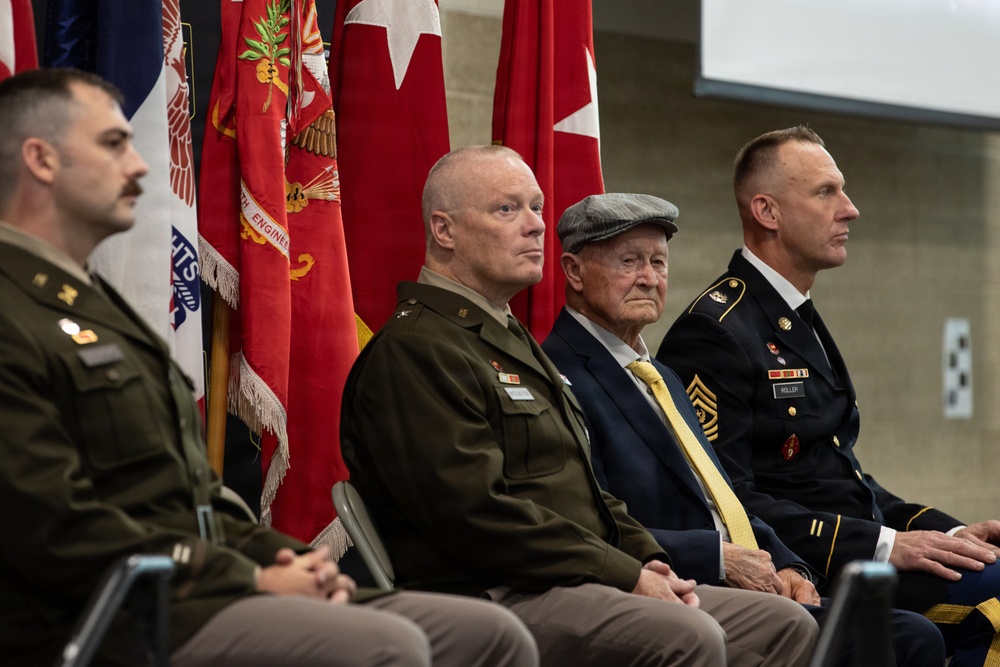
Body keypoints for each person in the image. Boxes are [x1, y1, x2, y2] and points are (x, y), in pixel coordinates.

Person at [0, 68, 539, 667]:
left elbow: (193, 496)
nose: (140, 165)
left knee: (489, 635)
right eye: (112, 144)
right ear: (41, 159)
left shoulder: (97, 305)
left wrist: (290, 561)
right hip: (103, 612)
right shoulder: (14, 311)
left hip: (190, 589)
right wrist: (246, 579)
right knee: (389, 645)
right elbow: (48, 525)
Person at [341, 144, 820, 666]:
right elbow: (476, 516)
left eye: (536, 208)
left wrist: (650, 561)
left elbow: (589, 496)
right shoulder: (418, 350)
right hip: (491, 591)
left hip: (571, 575)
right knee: (689, 634)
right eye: (507, 209)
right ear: (444, 230)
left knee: (784, 624)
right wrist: (627, 574)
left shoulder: (506, 339)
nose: (535, 225)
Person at [541, 192, 946, 667]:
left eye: (658, 262)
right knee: (894, 638)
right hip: (676, 585)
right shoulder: (558, 377)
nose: (648, 278)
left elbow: (723, 497)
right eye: (629, 262)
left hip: (746, 578)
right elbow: (592, 525)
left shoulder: (660, 376)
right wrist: (719, 558)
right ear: (574, 272)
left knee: (914, 636)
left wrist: (790, 564)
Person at [657, 125, 1000, 666]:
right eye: (826, 192)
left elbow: (843, 476)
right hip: (809, 568)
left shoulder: (794, 316)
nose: (850, 209)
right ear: (767, 212)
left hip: (856, 552)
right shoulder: (716, 331)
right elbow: (726, 500)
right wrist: (885, 545)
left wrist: (947, 531)